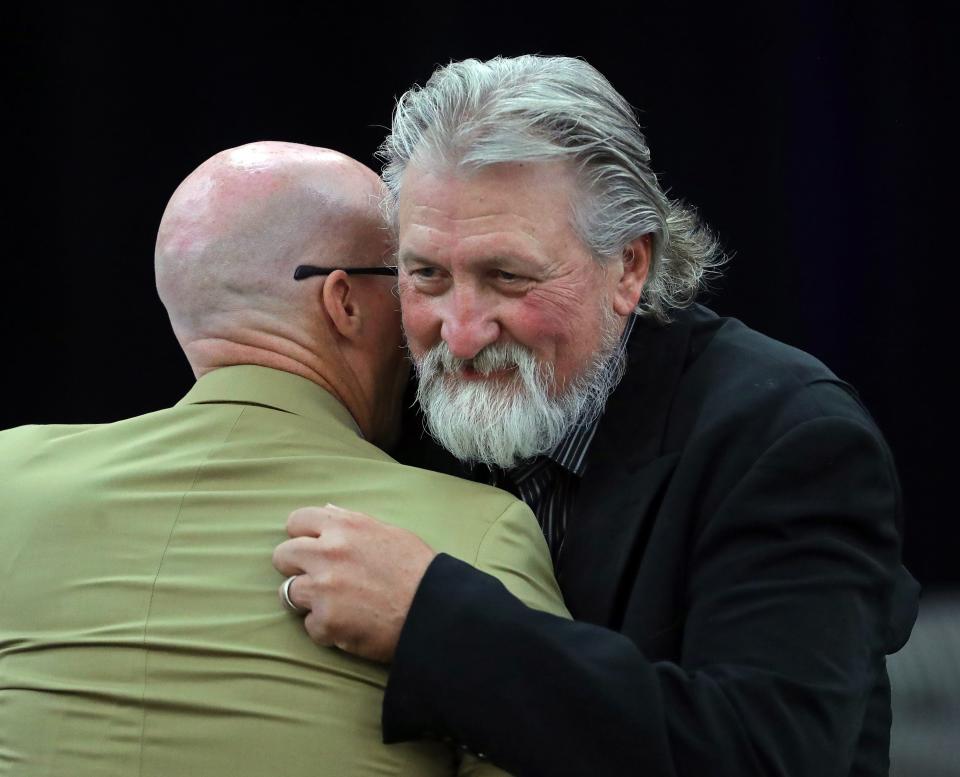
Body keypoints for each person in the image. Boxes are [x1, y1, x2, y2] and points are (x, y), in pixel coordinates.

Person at [273, 57, 920, 777]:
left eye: (507, 277)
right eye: (427, 274)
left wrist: (429, 620)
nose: (458, 333)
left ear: (630, 267)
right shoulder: (393, 413)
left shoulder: (788, 438)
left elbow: (763, 753)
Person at [0, 140, 567, 777]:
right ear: (344, 302)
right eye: (413, 278)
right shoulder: (474, 537)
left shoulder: (9, 477)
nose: (437, 323)